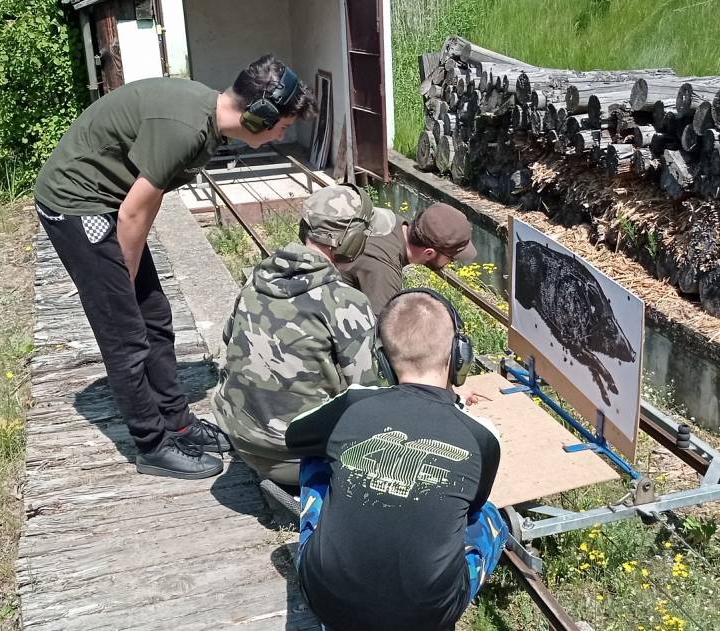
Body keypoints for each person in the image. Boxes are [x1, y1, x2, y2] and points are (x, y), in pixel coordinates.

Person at [33, 54, 315, 479]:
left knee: (155, 315)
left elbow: (147, 199)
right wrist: (123, 282)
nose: (283, 134)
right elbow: (132, 213)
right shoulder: (186, 129)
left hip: (113, 201)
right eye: (282, 126)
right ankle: (152, 444)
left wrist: (131, 279)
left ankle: (178, 423)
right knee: (125, 332)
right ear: (259, 115)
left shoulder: (207, 124)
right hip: (77, 203)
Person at [285, 289, 507, 631]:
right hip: (429, 616)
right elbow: (473, 507)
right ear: (458, 355)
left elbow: (294, 436)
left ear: (383, 361)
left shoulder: (352, 404)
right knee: (489, 516)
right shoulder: (482, 436)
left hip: (326, 599)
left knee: (315, 457)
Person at [212, 185, 398, 486]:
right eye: (364, 234)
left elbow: (227, 339)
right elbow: (369, 393)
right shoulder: (345, 302)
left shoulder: (256, 279)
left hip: (242, 438)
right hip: (297, 457)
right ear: (350, 240)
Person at [335, 202, 478, 315]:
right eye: (451, 258)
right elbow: (380, 333)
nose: (450, 263)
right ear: (429, 253)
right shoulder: (385, 271)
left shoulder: (392, 220)